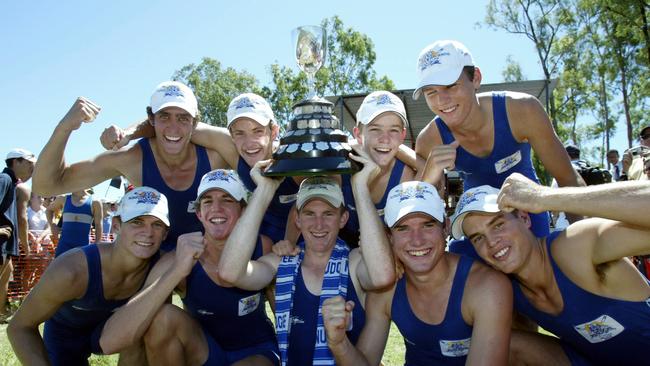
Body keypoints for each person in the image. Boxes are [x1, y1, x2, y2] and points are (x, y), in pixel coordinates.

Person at [101, 92, 423, 245]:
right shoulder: (231, 147)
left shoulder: (291, 158)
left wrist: (413, 158)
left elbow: (309, 201)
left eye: (258, 132)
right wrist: (128, 133)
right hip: (266, 235)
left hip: (314, 231)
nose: (249, 142)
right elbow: (171, 126)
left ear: (273, 131)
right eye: (240, 132)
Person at [452, 174, 650, 365]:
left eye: (498, 225)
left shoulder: (574, 247)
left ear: (524, 218)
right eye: (478, 238)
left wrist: (543, 196)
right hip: (595, 359)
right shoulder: (506, 287)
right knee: (506, 344)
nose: (492, 242)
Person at [217, 155, 395, 366]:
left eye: (328, 213)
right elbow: (230, 272)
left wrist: (360, 187)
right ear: (297, 220)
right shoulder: (282, 261)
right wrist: (263, 191)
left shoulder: (354, 261)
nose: (318, 224)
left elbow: (383, 275)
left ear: (343, 219)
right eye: (310, 214)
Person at [321, 181, 512, 365]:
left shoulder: (485, 287)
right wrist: (339, 344)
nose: (417, 240)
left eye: (427, 225)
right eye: (403, 229)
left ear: (445, 227)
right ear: (390, 237)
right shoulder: (387, 289)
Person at [100, 169, 278, 365]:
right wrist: (177, 270)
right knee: (162, 318)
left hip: (255, 350)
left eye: (227, 200)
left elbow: (281, 309)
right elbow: (109, 342)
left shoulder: (261, 245)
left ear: (243, 210)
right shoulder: (179, 256)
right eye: (208, 201)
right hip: (203, 351)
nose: (216, 208)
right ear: (199, 213)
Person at [32, 81, 232, 252]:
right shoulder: (132, 159)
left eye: (182, 118)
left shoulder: (214, 154)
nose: (173, 127)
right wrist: (64, 128)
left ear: (194, 122)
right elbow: (46, 186)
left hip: (208, 256)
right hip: (153, 257)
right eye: (164, 116)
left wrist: (128, 132)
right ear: (151, 118)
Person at [413, 40, 583, 240]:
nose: (442, 100)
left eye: (451, 86)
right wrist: (429, 177)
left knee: (540, 265)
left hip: (529, 211)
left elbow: (567, 179)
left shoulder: (522, 111)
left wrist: (590, 242)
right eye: (431, 92)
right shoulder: (429, 140)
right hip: (477, 218)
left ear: (476, 78)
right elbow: (418, 210)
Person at [7, 186, 170, 365]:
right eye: (137, 222)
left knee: (149, 323)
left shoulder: (163, 267)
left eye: (157, 224)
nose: (148, 232)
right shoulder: (72, 269)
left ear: (165, 234)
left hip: (116, 334)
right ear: (116, 225)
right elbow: (19, 327)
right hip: (65, 336)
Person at [339, 91, 416, 246]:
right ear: (358, 134)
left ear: (402, 135)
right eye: (375, 129)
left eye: (393, 130)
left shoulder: (405, 176)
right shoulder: (341, 165)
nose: (385, 139)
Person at [0, 148, 36, 321]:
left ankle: (1, 312)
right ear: (16, 162)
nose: (32, 168)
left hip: (5, 243)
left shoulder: (13, 183)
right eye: (29, 163)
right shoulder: (4, 179)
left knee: (7, 274)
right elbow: (22, 220)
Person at [46, 189, 103, 256]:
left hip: (83, 251)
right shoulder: (63, 199)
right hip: (63, 249)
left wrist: (95, 248)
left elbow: (98, 226)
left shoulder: (95, 202)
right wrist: (52, 225)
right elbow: (49, 210)